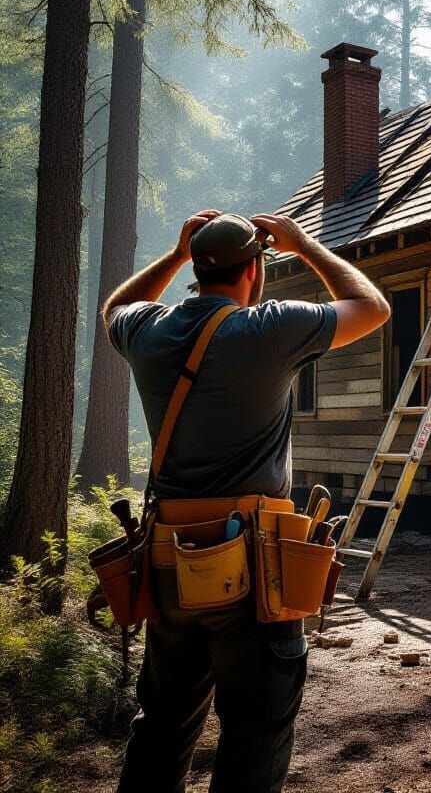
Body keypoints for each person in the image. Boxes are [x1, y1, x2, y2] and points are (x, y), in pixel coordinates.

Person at [105, 209, 389, 793]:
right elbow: (373, 307)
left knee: (161, 726)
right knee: (255, 734)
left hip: (169, 565)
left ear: (196, 271)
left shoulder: (148, 333)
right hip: (256, 568)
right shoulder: (269, 328)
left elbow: (113, 307)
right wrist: (307, 245)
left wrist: (178, 252)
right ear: (255, 271)